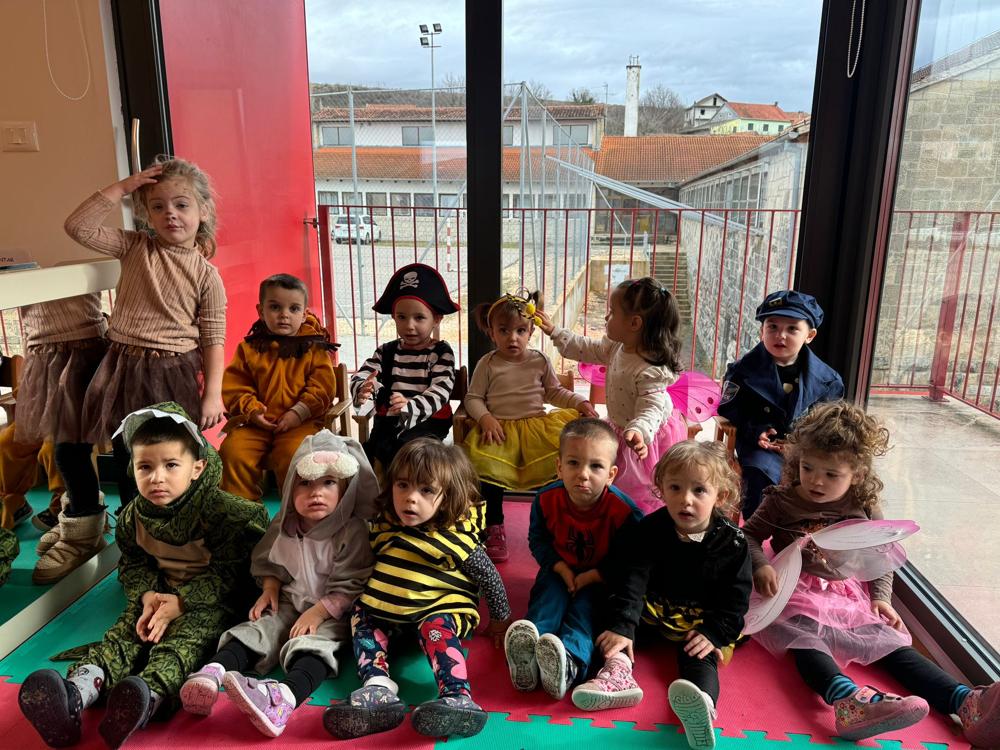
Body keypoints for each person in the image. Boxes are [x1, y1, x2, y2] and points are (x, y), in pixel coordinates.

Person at [743, 401, 999, 746]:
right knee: (806, 639)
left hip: (844, 591)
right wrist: (761, 565)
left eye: (831, 474)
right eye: (807, 467)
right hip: (793, 585)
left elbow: (882, 555)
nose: (816, 480)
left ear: (857, 475)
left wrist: (880, 598)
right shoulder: (781, 500)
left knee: (887, 642)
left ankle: (964, 702)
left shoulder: (862, 505)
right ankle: (849, 702)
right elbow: (748, 536)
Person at [18, 403, 268, 750]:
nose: (157, 478)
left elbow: (233, 575)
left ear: (197, 468)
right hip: (158, 593)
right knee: (125, 634)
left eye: (171, 465)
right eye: (145, 467)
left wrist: (182, 602)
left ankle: (147, 696)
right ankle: (75, 694)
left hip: (211, 602)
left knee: (184, 644)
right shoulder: (133, 516)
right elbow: (134, 564)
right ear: (132, 469)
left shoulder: (227, 515)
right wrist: (148, 597)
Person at [181, 430, 376, 737]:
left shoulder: (351, 530)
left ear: (345, 488)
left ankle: (284, 698)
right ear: (289, 488)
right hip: (289, 599)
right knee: (260, 627)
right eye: (305, 483)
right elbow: (269, 560)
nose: (316, 493)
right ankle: (214, 671)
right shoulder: (285, 524)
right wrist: (270, 589)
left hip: (332, 610)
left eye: (328, 483)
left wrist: (318, 613)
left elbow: (353, 583)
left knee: (315, 646)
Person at [64, 157, 227, 509]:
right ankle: (132, 523)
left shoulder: (206, 275)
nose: (170, 214)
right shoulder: (135, 246)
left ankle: (170, 524)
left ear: (203, 212)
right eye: (158, 207)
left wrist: (213, 394)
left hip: (172, 371)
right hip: (122, 367)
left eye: (181, 205)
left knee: (167, 454)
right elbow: (78, 227)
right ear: (147, 215)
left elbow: (213, 338)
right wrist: (123, 188)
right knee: (128, 454)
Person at [323, 438, 511, 740]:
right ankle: (377, 686)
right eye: (403, 485)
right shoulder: (384, 525)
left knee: (437, 628)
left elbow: (490, 577)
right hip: (385, 609)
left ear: (447, 497)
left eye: (426, 490)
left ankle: (456, 695)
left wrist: (500, 620)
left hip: (435, 609)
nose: (410, 498)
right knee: (362, 618)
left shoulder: (457, 539)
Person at [578, 441, 751, 750]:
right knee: (609, 619)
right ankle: (618, 674)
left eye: (699, 490)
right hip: (654, 610)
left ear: (720, 496)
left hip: (699, 621)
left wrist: (714, 633)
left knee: (700, 655)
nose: (685, 500)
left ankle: (702, 705)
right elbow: (633, 579)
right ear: (661, 489)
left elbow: (736, 599)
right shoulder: (651, 528)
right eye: (675, 488)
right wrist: (623, 626)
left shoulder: (733, 543)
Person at [504, 418, 641, 701]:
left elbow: (631, 560)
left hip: (601, 578)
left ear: (611, 474)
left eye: (596, 466)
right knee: (547, 601)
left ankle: (570, 663)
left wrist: (594, 575)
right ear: (559, 467)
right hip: (558, 569)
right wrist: (559, 567)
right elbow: (538, 540)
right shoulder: (546, 499)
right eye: (573, 463)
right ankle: (528, 657)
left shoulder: (624, 512)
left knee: (584, 612)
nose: (583, 474)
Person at [463, 291, 597, 562]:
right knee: (488, 475)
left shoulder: (539, 360)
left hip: (536, 430)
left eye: (520, 331)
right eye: (504, 331)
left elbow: (555, 392)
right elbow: (473, 398)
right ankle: (494, 525)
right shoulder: (487, 364)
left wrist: (579, 401)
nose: (512, 338)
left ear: (531, 331)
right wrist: (485, 417)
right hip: (500, 430)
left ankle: (554, 523)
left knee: (557, 470)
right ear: (492, 333)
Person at [536, 277, 686, 514]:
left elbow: (652, 407)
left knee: (636, 493)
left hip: (642, 439)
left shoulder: (650, 369)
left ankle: (635, 525)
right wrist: (555, 332)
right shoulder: (617, 346)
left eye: (612, 312)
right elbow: (586, 347)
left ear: (634, 323)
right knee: (610, 483)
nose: (607, 317)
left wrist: (639, 431)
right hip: (619, 429)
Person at [6, 295, 109, 581]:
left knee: (69, 451)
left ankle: (84, 531)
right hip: (44, 349)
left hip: (80, 346)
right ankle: (80, 515)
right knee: (65, 450)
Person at [717, 290, 843, 519]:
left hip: (806, 448)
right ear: (761, 331)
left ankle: (805, 526)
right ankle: (759, 525)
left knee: (832, 473)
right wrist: (755, 430)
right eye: (772, 327)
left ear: (809, 335)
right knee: (759, 472)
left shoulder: (828, 380)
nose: (780, 335)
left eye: (792, 329)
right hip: (762, 445)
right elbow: (728, 407)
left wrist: (801, 443)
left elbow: (831, 422)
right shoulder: (742, 371)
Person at [218, 274, 337, 501]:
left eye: (294, 309)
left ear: (304, 314)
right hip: (257, 424)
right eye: (275, 307)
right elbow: (236, 387)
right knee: (233, 451)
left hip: (301, 423)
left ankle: (295, 510)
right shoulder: (249, 348)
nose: (284, 314)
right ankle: (242, 509)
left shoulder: (314, 348)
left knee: (295, 455)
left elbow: (323, 388)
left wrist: (297, 413)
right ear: (260, 311)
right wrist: (253, 411)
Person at [350, 263, 459, 470]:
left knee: (408, 454)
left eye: (419, 318)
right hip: (388, 420)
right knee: (371, 453)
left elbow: (441, 390)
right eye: (402, 317)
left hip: (428, 420)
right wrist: (363, 386)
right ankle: (383, 488)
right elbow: (365, 373)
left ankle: (405, 487)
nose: (409, 326)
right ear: (393, 316)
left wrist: (409, 405)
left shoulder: (440, 353)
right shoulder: (386, 351)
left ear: (436, 319)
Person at [0, 427, 62, 530]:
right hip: (40, 422)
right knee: (6, 442)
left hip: (71, 423)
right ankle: (14, 503)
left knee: (53, 447)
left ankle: (66, 503)